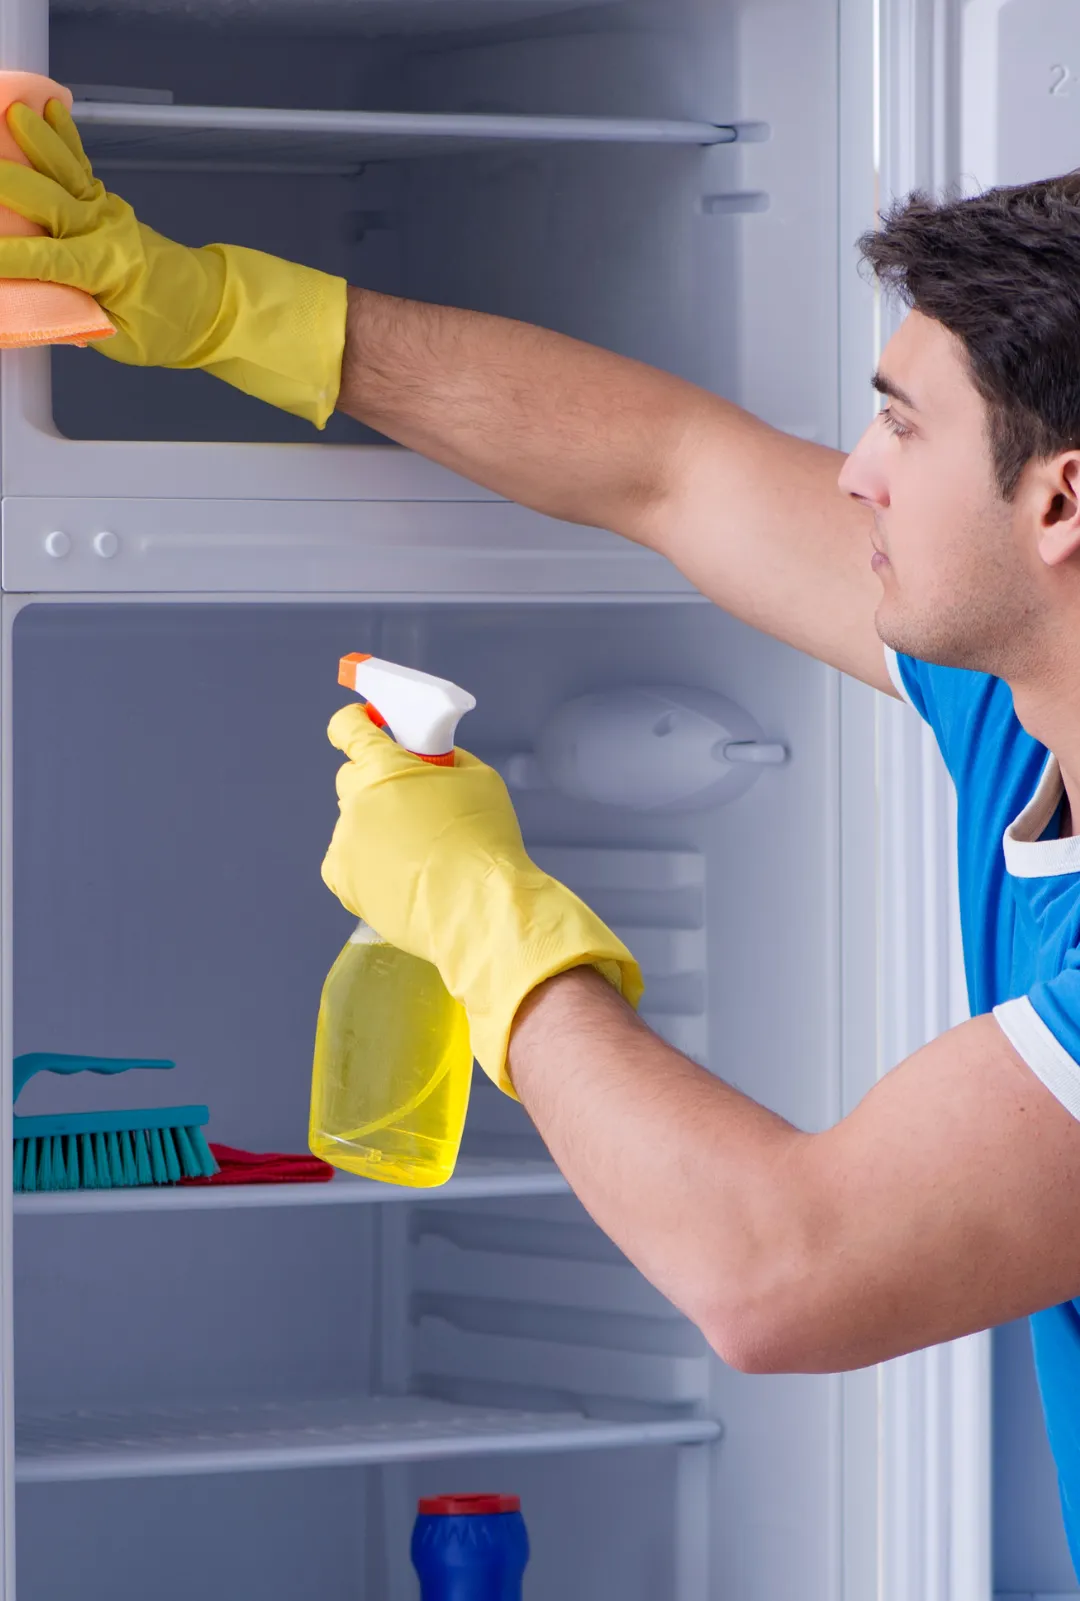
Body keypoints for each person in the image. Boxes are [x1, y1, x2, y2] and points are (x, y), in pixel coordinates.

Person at [5, 97, 1080, 1565]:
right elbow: (664, 464)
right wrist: (201, 301)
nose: (854, 472)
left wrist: (484, 912)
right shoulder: (1017, 698)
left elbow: (783, 1271)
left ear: (1059, 499)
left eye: (902, 425)